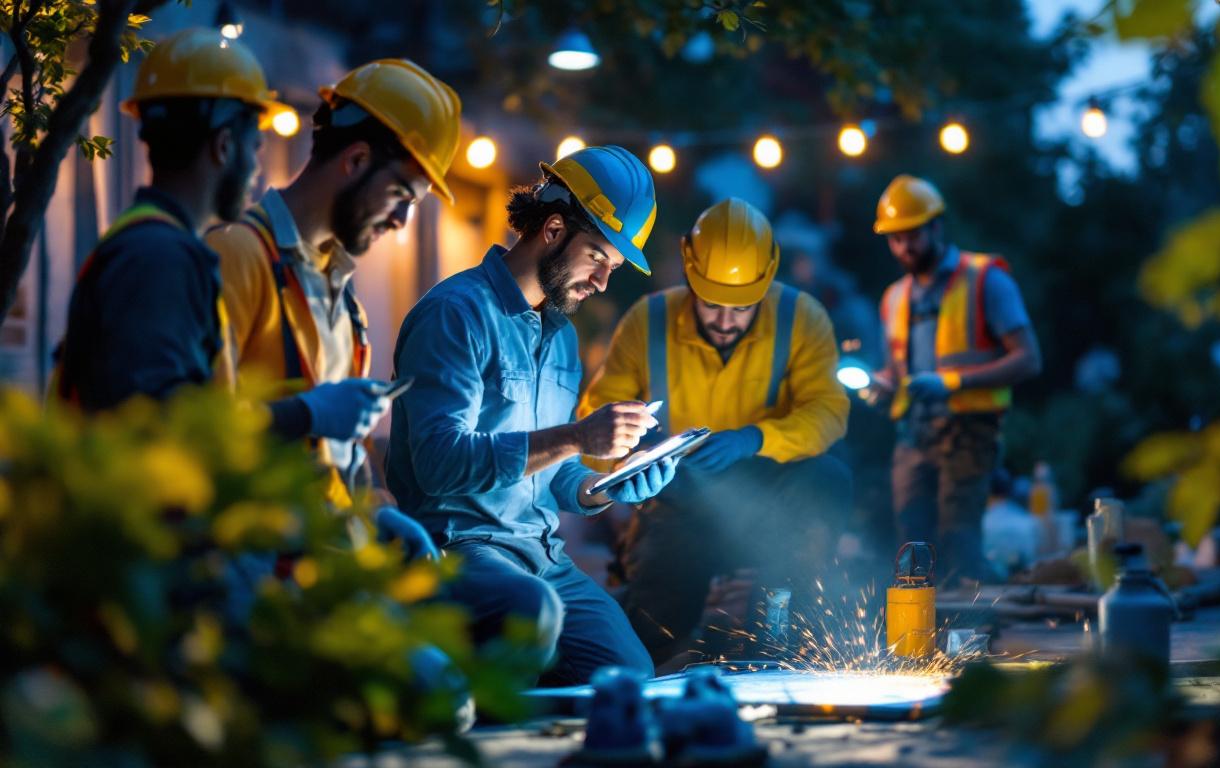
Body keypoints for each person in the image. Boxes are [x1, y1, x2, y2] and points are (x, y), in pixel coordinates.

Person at [54, 29, 425, 557]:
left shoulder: (155, 246)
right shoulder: (162, 259)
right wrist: (309, 413)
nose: (256, 168)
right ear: (224, 147)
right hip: (135, 558)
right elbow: (179, 427)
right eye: (255, 146)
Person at [386, 145, 677, 684]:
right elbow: (437, 465)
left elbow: (554, 474)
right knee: (529, 610)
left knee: (628, 674)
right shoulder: (456, 315)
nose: (602, 282)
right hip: (457, 549)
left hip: (542, 556)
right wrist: (577, 434)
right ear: (552, 230)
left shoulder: (561, 336)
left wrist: (608, 487)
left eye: (612, 267)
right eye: (597, 257)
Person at [205, 59, 462, 555]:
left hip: (326, 556)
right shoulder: (235, 256)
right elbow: (204, 425)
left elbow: (347, 458)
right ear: (357, 160)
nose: (402, 222)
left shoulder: (344, 300)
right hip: (253, 557)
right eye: (399, 196)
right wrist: (305, 413)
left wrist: (381, 508)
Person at [579, 197, 852, 666]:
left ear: (766, 281)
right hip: (678, 498)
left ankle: (778, 640)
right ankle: (611, 630)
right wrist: (636, 460)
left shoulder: (802, 318)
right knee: (650, 632)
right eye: (711, 303)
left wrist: (754, 439)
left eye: (742, 307)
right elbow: (598, 418)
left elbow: (827, 413)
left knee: (829, 478)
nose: (725, 320)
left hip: (774, 499)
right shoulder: (648, 321)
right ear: (689, 272)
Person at [870, 175, 1041, 585]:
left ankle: (974, 638)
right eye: (894, 239)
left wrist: (952, 383)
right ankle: (920, 645)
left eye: (911, 235)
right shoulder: (893, 298)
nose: (903, 247)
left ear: (936, 227)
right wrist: (882, 384)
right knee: (911, 552)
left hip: (969, 431)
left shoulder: (986, 279)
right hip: (912, 435)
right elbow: (897, 370)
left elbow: (1029, 359)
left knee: (959, 547)